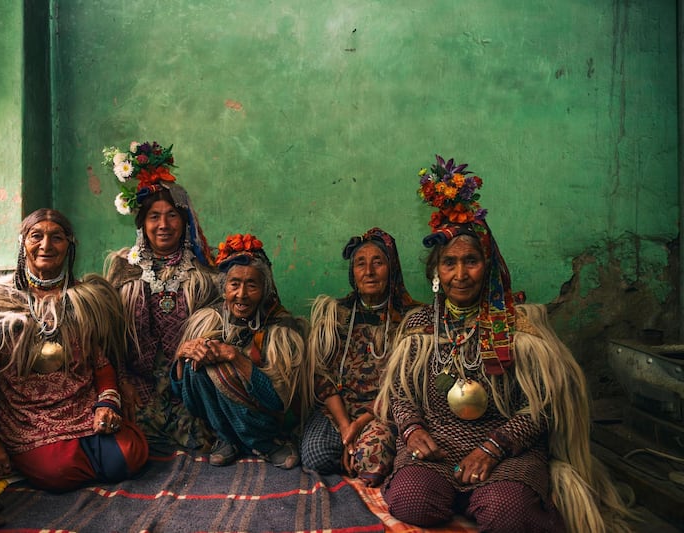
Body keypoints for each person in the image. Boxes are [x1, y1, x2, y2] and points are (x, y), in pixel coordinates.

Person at [376, 156, 631, 532]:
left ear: (489, 266)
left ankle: (492, 500)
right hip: (436, 447)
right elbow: (399, 393)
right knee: (412, 502)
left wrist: (491, 450)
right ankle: (459, 498)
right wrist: (413, 430)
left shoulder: (520, 328)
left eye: (471, 261)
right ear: (436, 272)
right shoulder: (419, 326)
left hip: (506, 452)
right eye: (449, 263)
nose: (460, 274)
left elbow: (542, 406)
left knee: (508, 513)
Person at [0, 208, 149, 492]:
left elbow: (101, 364)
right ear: (22, 243)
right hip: (27, 417)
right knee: (58, 473)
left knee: (130, 457)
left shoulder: (86, 300)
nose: (46, 246)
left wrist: (106, 404)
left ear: (70, 244)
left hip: (82, 408)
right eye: (36, 236)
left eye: (57, 238)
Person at [103, 140, 220, 453]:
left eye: (172, 216)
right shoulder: (122, 267)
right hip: (138, 384)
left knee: (203, 439)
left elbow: (226, 328)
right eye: (154, 216)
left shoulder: (205, 270)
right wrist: (122, 380)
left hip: (187, 383)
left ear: (184, 222)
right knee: (126, 439)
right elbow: (109, 337)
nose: (164, 225)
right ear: (142, 223)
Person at [171, 233, 305, 469]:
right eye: (234, 284)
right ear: (224, 288)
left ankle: (264, 443)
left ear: (265, 289)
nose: (241, 295)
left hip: (265, 418)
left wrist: (234, 356)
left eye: (251, 285)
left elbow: (278, 400)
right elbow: (182, 392)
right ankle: (226, 438)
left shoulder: (280, 328)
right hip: (218, 417)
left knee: (219, 366)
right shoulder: (209, 319)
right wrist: (183, 355)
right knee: (197, 363)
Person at [300, 228, 419, 486]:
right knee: (316, 456)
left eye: (378, 262)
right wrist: (346, 428)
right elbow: (322, 376)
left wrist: (361, 424)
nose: (369, 272)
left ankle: (362, 451)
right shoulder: (335, 314)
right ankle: (350, 448)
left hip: (383, 412)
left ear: (392, 268)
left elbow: (405, 385)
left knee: (371, 464)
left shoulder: (411, 319)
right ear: (352, 273)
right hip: (339, 410)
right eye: (360, 264)